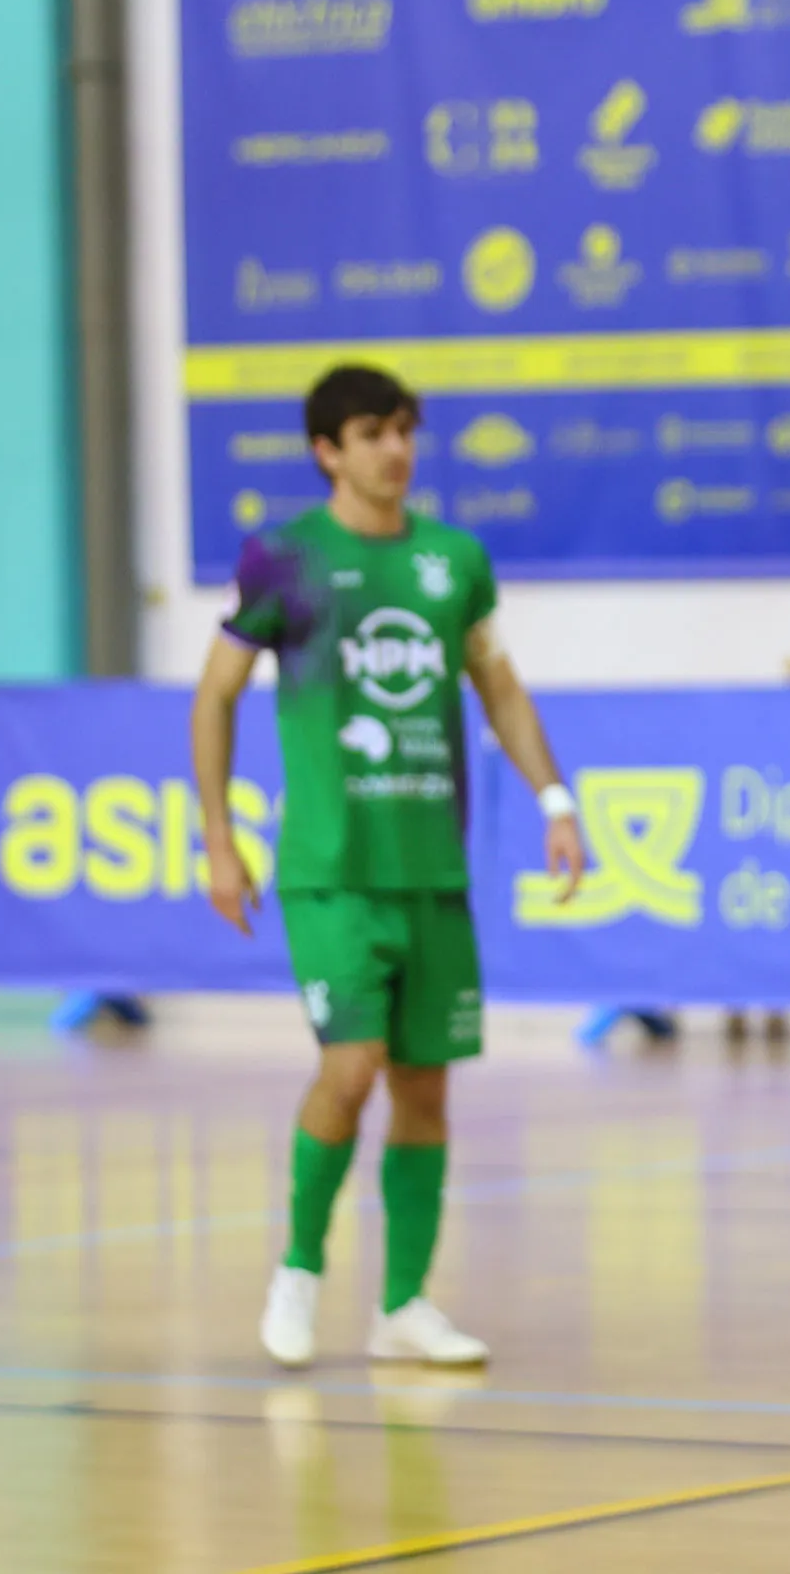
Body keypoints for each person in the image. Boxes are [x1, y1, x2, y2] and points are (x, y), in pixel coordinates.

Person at [191, 365, 585, 1370]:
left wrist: (555, 799)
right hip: (332, 871)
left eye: (405, 429)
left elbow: (500, 688)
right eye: (372, 432)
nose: (395, 448)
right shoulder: (284, 559)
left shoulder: (455, 562)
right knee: (350, 1065)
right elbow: (216, 696)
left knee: (425, 1092)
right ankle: (298, 1268)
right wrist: (218, 836)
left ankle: (403, 1303)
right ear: (329, 449)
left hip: (433, 873)